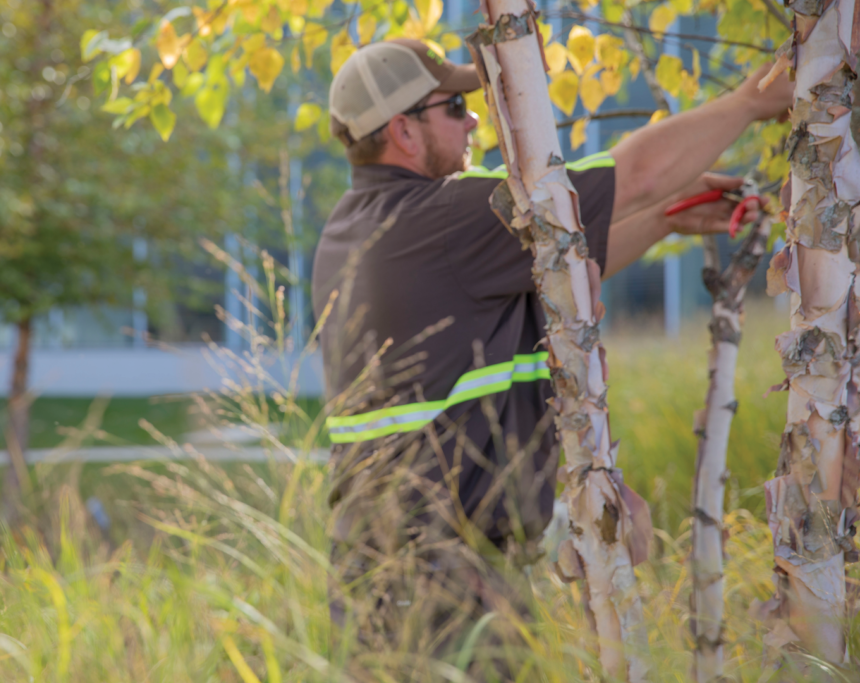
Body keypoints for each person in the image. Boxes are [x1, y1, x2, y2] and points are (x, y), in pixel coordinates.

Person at [311, 38, 792, 673]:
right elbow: (637, 172)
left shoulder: (356, 227)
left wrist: (663, 222)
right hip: (442, 589)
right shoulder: (444, 219)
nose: (475, 120)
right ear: (402, 129)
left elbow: (548, 266)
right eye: (455, 107)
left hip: (393, 577)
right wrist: (750, 103)